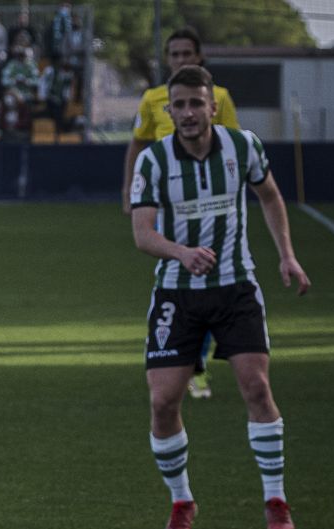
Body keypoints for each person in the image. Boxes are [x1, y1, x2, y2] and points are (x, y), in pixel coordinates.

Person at [129, 65, 309, 529]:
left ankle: (275, 500)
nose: (188, 113)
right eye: (179, 105)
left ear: (213, 106)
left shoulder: (242, 145)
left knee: (256, 388)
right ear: (169, 111)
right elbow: (142, 234)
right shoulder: (153, 161)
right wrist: (181, 253)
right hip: (176, 294)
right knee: (163, 401)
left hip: (235, 288)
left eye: (196, 103)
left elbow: (270, 197)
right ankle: (181, 501)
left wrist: (287, 255)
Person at [122, 27, 242, 401]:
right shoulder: (153, 99)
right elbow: (138, 144)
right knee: (176, 277)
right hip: (167, 209)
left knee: (207, 281)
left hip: (209, 210)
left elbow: (235, 150)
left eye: (186, 53)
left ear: (199, 57)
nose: (180, 60)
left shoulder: (219, 97)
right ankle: (179, 356)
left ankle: (198, 363)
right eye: (173, 55)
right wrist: (129, 189)